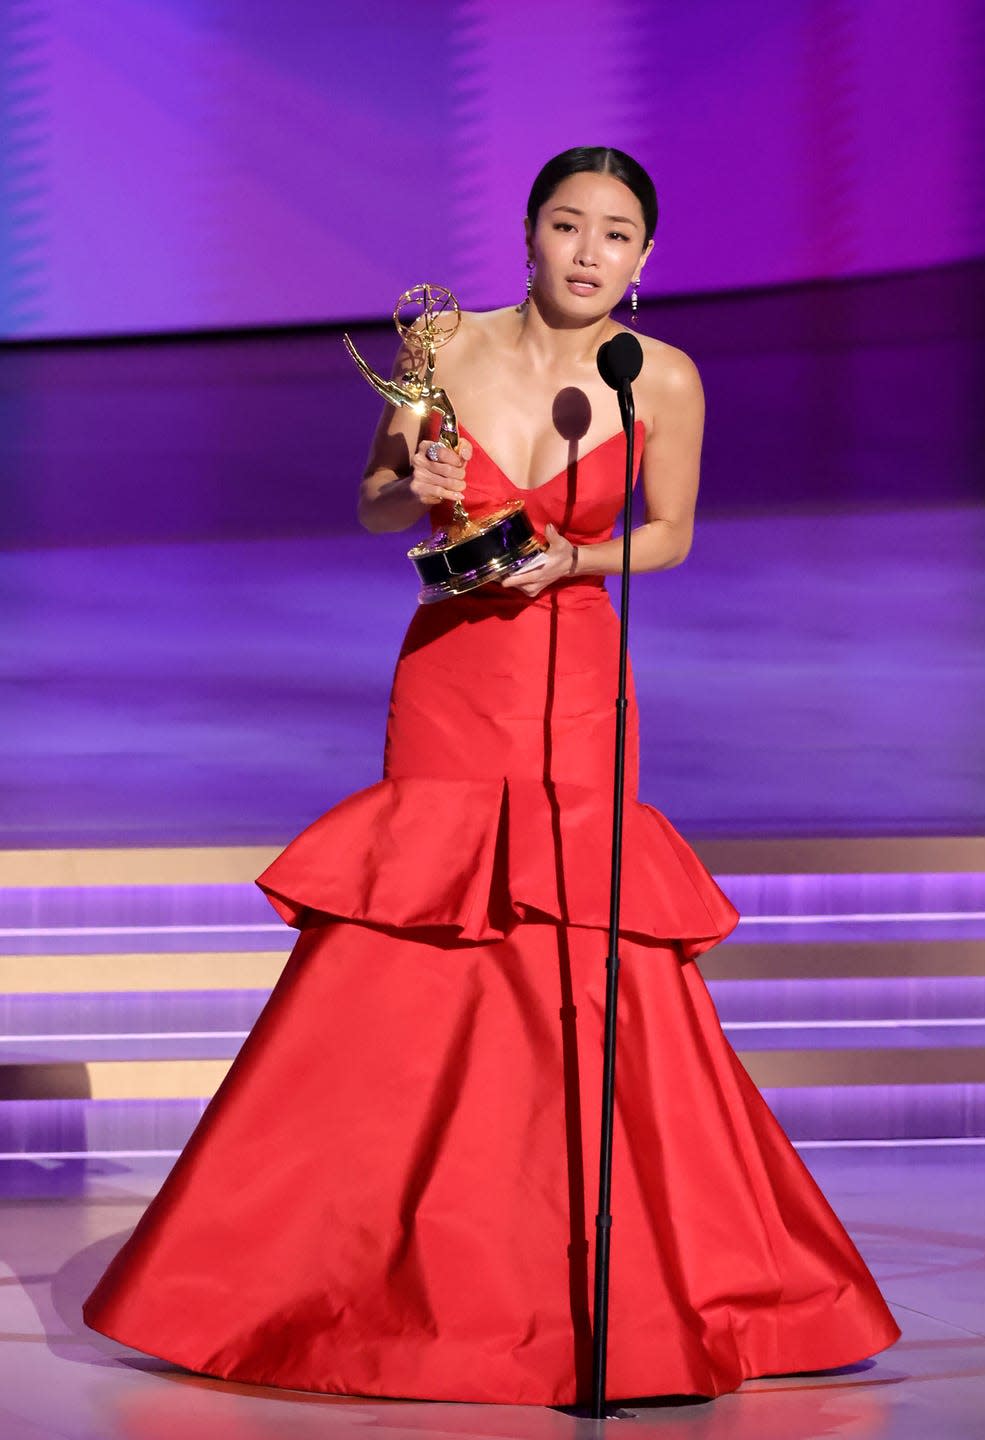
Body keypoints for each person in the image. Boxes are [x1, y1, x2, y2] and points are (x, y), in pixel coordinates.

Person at [82, 146, 901, 1407]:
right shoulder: (441, 346)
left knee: (579, 945)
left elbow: (668, 533)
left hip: (574, 677)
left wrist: (571, 565)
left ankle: (612, 1266)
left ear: (644, 261)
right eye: (567, 225)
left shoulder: (659, 377)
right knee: (417, 937)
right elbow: (369, 508)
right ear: (526, 235)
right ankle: (330, 1261)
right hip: (455, 676)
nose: (588, 252)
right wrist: (408, 483)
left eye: (616, 235)